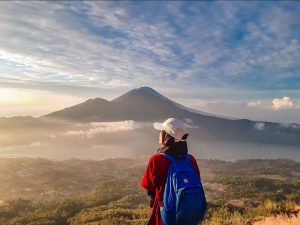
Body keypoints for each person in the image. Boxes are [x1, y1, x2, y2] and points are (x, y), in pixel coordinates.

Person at [141, 118, 203, 225]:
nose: (160, 134)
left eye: (162, 131)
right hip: (186, 213)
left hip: (165, 213)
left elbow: (148, 185)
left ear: (167, 136)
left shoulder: (157, 159)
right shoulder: (190, 159)